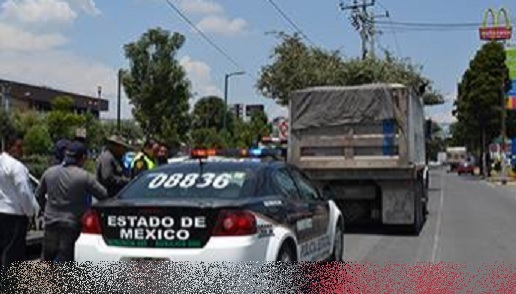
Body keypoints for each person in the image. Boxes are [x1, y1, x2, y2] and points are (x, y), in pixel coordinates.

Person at [36, 141, 108, 262]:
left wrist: (46, 210)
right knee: (66, 261)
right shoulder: (84, 176)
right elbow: (104, 195)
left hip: (50, 223)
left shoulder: (49, 173)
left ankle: (47, 280)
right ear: (83, 158)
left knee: (47, 260)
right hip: (72, 224)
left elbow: (38, 194)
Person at [0, 133, 40, 268]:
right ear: (10, 148)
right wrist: (30, 213)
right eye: (19, 147)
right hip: (14, 218)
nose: (22, 150)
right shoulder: (17, 167)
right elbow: (25, 193)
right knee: (13, 258)